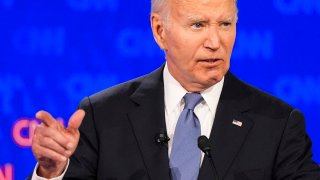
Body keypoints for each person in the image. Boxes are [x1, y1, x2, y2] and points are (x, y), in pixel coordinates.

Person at [30, 0, 320, 179]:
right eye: (198, 25)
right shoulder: (103, 115)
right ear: (159, 31)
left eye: (225, 24)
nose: (215, 41)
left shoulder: (278, 124)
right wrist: (51, 173)